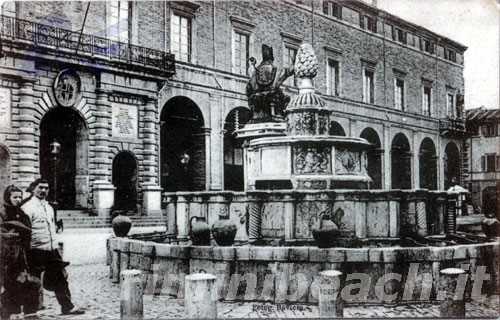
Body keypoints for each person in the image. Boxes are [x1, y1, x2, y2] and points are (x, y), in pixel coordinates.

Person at [21, 178, 85, 315]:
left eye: (46, 188)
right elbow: (25, 232)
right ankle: (30, 313)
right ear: (33, 189)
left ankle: (67, 306)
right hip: (35, 250)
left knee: (60, 278)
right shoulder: (27, 208)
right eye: (40, 187)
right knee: (33, 282)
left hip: (51, 250)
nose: (43, 191)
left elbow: (52, 229)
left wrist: (55, 246)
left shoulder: (49, 207)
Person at [1, 185, 40, 319]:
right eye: (14, 197)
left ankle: (30, 312)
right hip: (8, 256)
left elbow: (29, 231)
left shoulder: (22, 213)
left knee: (29, 282)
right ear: (8, 197)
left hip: (24, 254)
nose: (18, 200)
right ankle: (11, 313)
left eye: (19, 197)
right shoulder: (2, 213)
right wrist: (12, 235)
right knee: (11, 284)